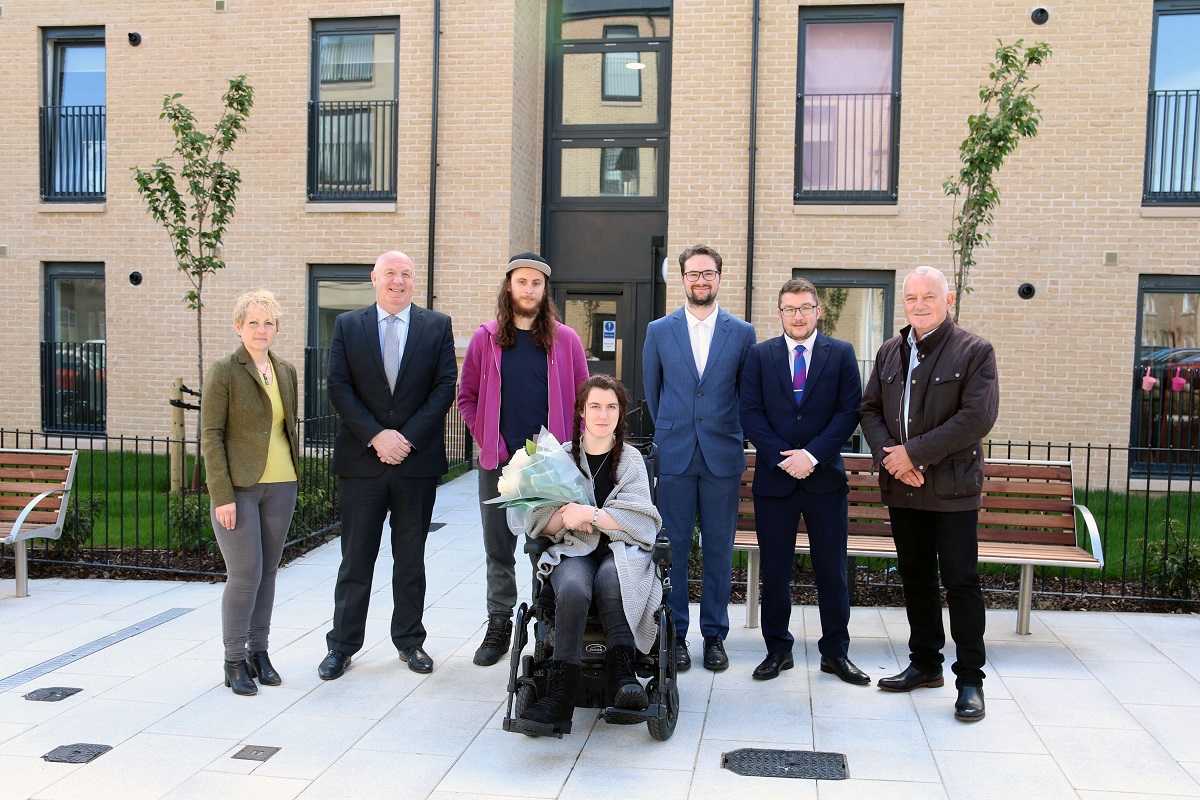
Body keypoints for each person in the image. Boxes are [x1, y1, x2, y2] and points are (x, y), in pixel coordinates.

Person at [859, 265, 999, 721]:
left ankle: (970, 681)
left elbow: (976, 418)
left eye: (929, 296)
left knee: (960, 581)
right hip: (903, 489)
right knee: (914, 576)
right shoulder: (889, 353)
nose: (919, 304)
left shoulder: (975, 351)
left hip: (952, 489)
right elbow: (870, 409)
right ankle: (925, 665)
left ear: (949, 299)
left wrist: (913, 455)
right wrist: (890, 456)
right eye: (911, 297)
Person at [318, 251, 458, 679]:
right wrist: (376, 436)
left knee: (410, 560)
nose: (399, 281)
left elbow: (444, 386)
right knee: (356, 560)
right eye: (391, 274)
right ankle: (342, 646)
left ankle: (410, 642)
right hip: (363, 462)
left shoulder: (437, 326)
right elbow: (338, 385)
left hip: (415, 464)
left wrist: (406, 438)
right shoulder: (348, 325)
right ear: (374, 278)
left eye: (407, 275)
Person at [457, 253, 589, 667]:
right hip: (498, 465)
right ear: (509, 287)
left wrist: (573, 452)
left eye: (536, 283)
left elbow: (585, 400)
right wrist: (486, 440)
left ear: (544, 290)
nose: (529, 289)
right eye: (522, 282)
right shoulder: (486, 338)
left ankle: (545, 628)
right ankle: (499, 624)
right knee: (498, 550)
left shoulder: (565, 340)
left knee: (544, 548)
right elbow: (467, 398)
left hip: (549, 468)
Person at [739, 278, 869, 685]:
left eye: (805, 307)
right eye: (790, 309)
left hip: (824, 481)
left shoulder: (842, 354)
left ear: (818, 311)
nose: (798, 315)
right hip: (775, 483)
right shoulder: (759, 356)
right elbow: (750, 413)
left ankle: (835, 653)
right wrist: (785, 458)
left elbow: (850, 411)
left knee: (832, 571)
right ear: (779, 313)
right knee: (775, 572)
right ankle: (777, 650)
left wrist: (812, 456)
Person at [517, 375, 663, 732]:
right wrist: (565, 515)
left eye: (611, 407)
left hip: (622, 553)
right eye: (595, 406)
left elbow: (643, 522)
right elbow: (538, 521)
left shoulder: (630, 461)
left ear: (620, 413)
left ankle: (623, 678)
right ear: (582, 410)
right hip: (573, 551)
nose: (603, 414)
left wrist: (591, 514)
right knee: (571, 587)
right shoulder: (561, 457)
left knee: (614, 577)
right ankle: (560, 694)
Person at [642, 244, 755, 672]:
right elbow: (654, 391)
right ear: (682, 279)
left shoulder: (742, 333)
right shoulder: (659, 330)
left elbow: (747, 395)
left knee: (719, 551)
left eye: (708, 274)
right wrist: (674, 429)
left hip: (722, 456)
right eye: (693, 274)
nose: (700, 281)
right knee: (674, 549)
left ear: (719, 278)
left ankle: (714, 636)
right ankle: (676, 634)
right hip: (674, 455)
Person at [201, 289, 300, 696]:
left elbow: (287, 428)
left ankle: (259, 653)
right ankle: (234, 660)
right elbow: (211, 435)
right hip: (239, 488)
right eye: (254, 322)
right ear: (238, 326)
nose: (262, 330)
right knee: (245, 575)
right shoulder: (225, 371)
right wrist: (221, 494)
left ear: (277, 327)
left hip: (282, 484)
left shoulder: (286, 370)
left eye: (269, 322)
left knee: (269, 573)